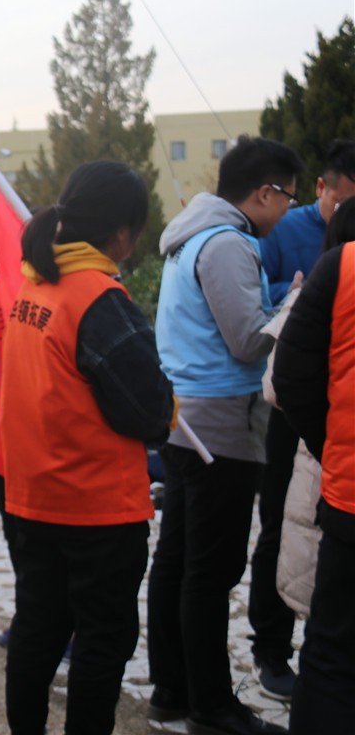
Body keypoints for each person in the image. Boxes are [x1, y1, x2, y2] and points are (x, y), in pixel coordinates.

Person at [0, 161, 175, 735]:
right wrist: (170, 408)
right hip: (97, 508)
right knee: (103, 641)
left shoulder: (34, 284)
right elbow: (148, 409)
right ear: (123, 233)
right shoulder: (98, 298)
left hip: (34, 501)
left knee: (37, 631)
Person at [147, 135, 304, 735]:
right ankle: (211, 707)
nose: (287, 210)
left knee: (179, 560)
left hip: (184, 420)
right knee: (210, 572)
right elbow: (247, 342)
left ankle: (172, 690)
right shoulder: (229, 243)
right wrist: (293, 307)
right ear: (265, 192)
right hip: (221, 425)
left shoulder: (189, 237)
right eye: (288, 197)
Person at [249, 139, 355, 699]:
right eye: (343, 201)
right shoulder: (285, 230)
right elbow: (256, 298)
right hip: (299, 416)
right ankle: (271, 649)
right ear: (322, 189)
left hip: (336, 429)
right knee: (282, 529)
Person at [272, 197, 355, 735]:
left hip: (350, 501)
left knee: (331, 656)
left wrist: (334, 446)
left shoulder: (342, 265)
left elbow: (290, 376)